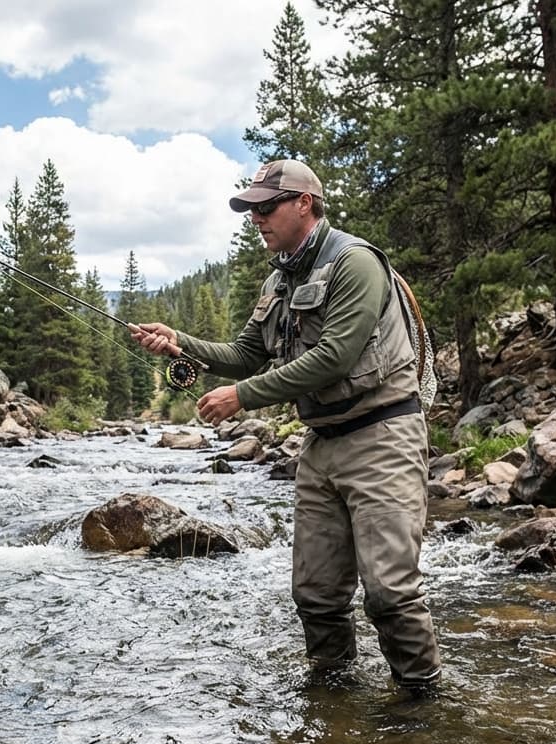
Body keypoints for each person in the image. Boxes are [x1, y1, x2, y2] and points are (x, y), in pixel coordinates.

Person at [129, 158, 441, 692]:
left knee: (389, 592)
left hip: (383, 436)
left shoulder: (355, 262)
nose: (256, 218)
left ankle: (424, 702)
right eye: (252, 209)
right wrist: (181, 343)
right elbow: (246, 353)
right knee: (316, 594)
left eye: (266, 207)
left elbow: (336, 356)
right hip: (322, 446)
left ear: (305, 203)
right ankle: (334, 694)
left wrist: (242, 398)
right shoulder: (279, 280)